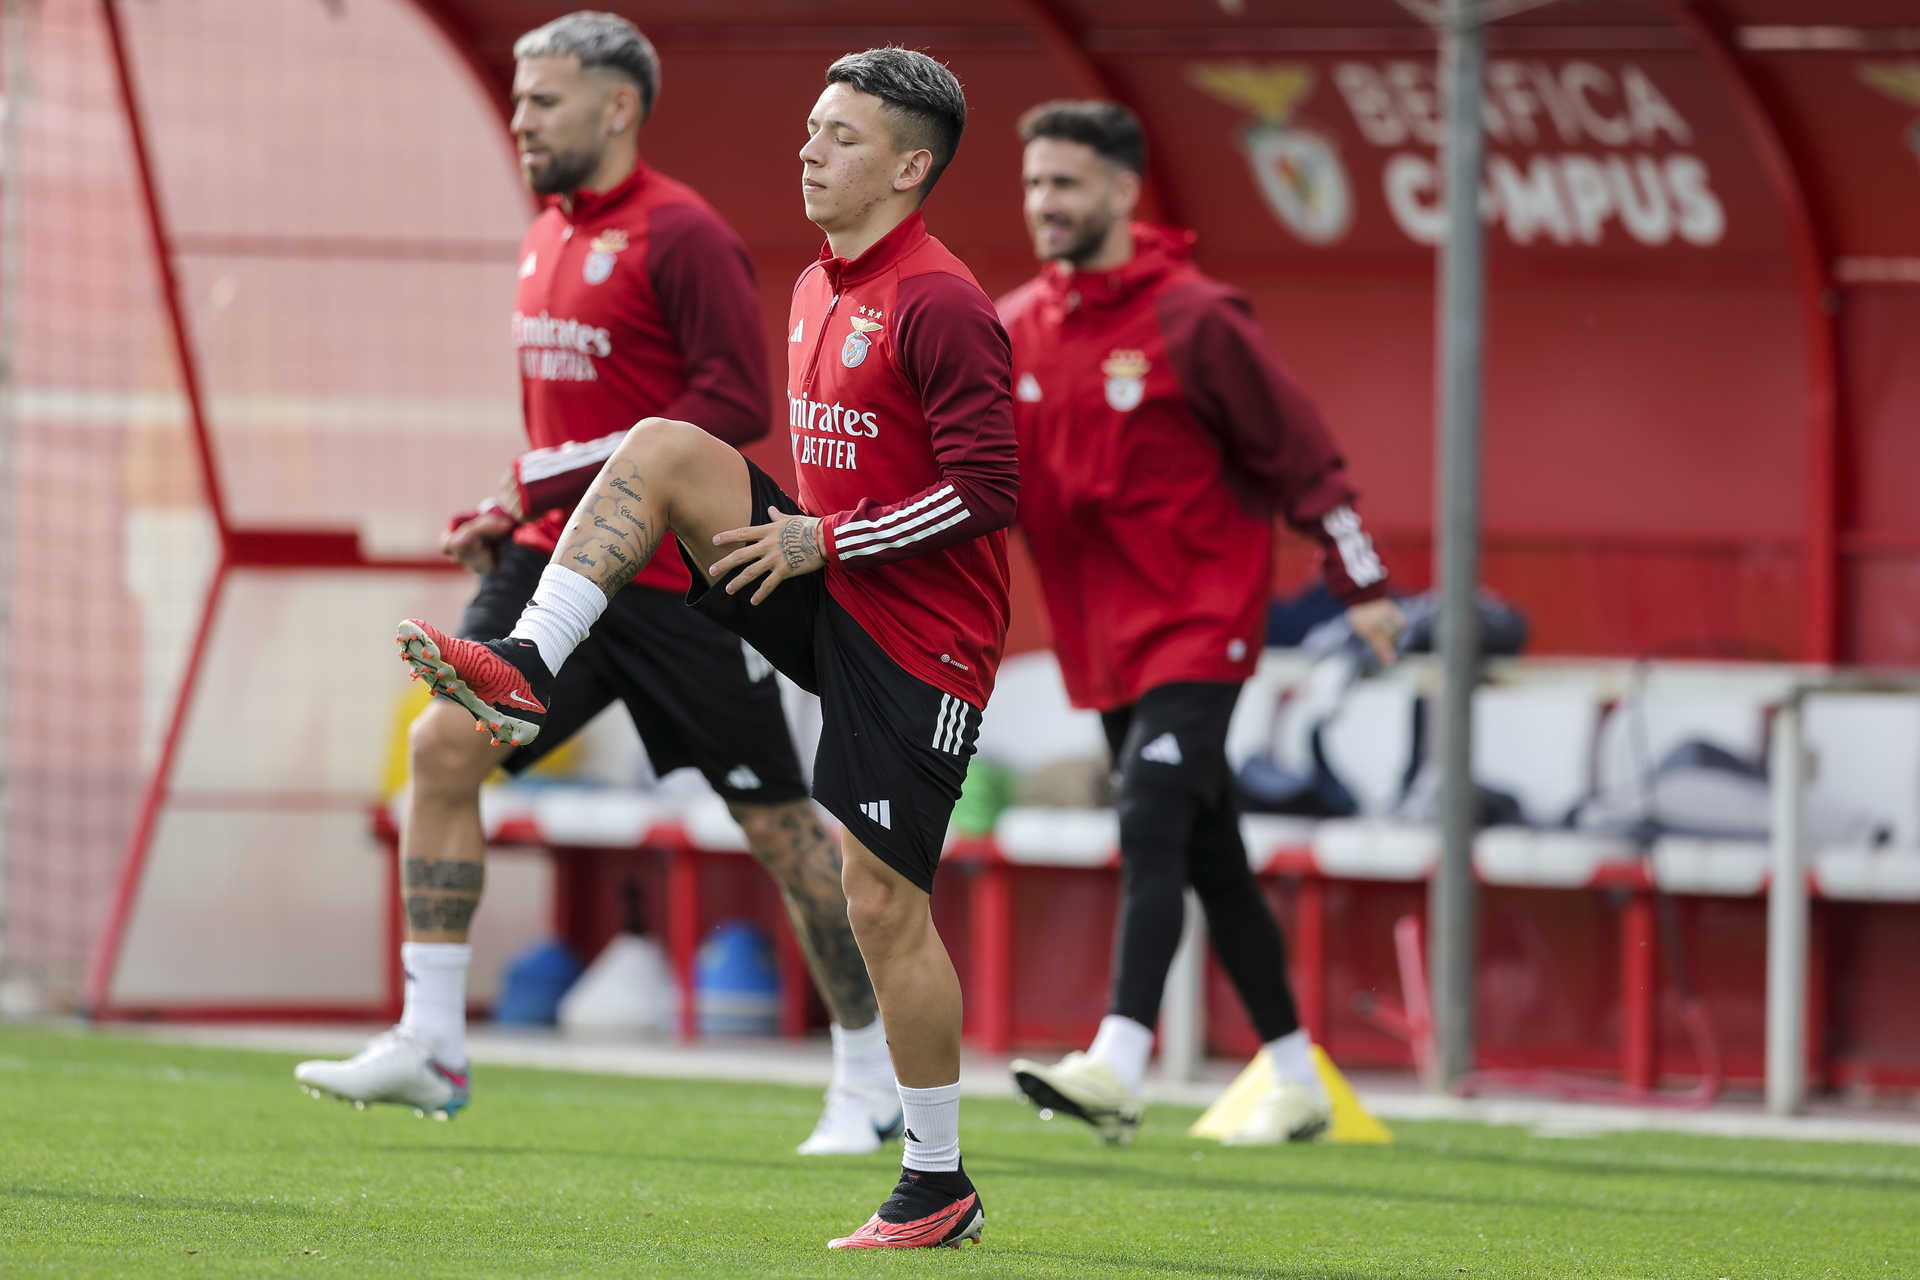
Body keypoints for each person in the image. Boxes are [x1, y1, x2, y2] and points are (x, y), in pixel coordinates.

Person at [387, 47, 1013, 1251]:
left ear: (910, 166)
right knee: (667, 444)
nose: (808, 150)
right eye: (811, 127)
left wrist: (827, 541)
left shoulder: (943, 299)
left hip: (920, 638)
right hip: (823, 579)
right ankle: (526, 657)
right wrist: (813, 546)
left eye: (839, 135)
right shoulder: (817, 285)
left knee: (880, 898)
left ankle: (935, 1177)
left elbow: (989, 490)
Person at [295, 11, 900, 1159]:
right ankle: (431, 1038)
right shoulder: (544, 236)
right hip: (544, 565)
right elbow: (570, 438)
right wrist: (512, 505)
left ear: (617, 107)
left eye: (544, 101)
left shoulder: (684, 235)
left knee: (780, 829)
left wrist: (544, 474)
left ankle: (869, 1075)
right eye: (518, 100)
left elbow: (729, 411)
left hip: (673, 587)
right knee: (439, 748)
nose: (522, 120)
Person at [998, 101, 1403, 1146]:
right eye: (1035, 183)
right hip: (1102, 641)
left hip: (1200, 623)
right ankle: (1295, 1073)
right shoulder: (1014, 328)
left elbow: (1302, 454)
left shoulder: (1196, 318)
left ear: (1126, 191)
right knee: (1208, 849)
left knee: (1149, 813)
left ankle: (1119, 1059)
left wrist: (1360, 583)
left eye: (1067, 184)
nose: (1045, 204)